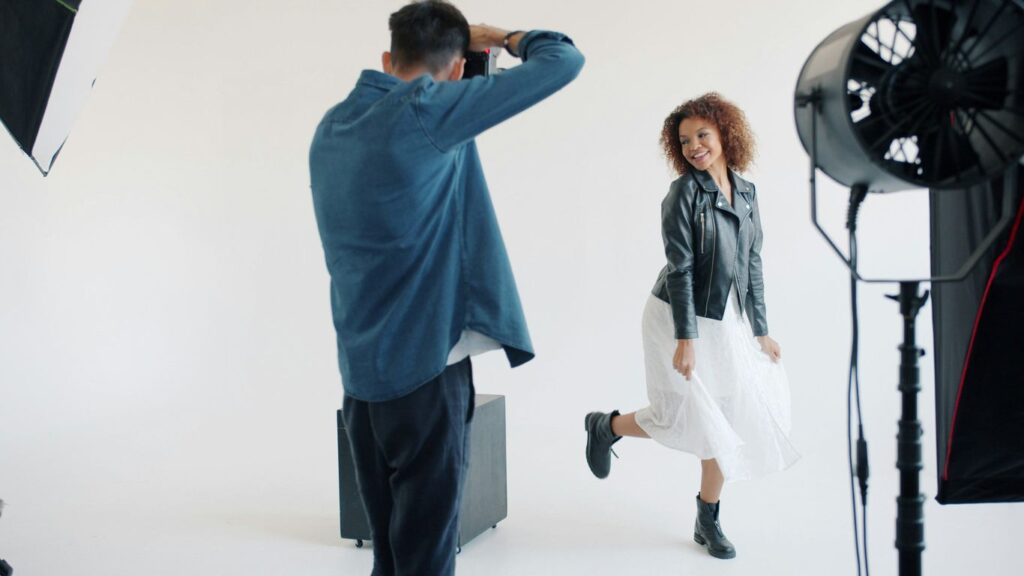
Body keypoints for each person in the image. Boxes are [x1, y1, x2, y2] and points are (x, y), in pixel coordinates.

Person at [309, 2, 584, 574]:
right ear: (457, 71)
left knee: (390, 554)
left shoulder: (332, 128)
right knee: (428, 558)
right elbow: (563, 59)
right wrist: (501, 36)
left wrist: (467, 60)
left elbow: (428, 154)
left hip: (361, 386)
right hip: (426, 376)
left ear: (387, 59)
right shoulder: (429, 115)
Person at [583, 93, 799, 560]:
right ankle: (606, 427)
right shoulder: (683, 194)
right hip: (675, 316)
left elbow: (752, 262)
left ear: (725, 134)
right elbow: (680, 269)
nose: (694, 146)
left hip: (727, 317)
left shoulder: (747, 192)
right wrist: (686, 339)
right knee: (677, 415)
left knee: (723, 417)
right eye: (684, 140)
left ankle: (708, 517)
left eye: (703, 134)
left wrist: (761, 329)